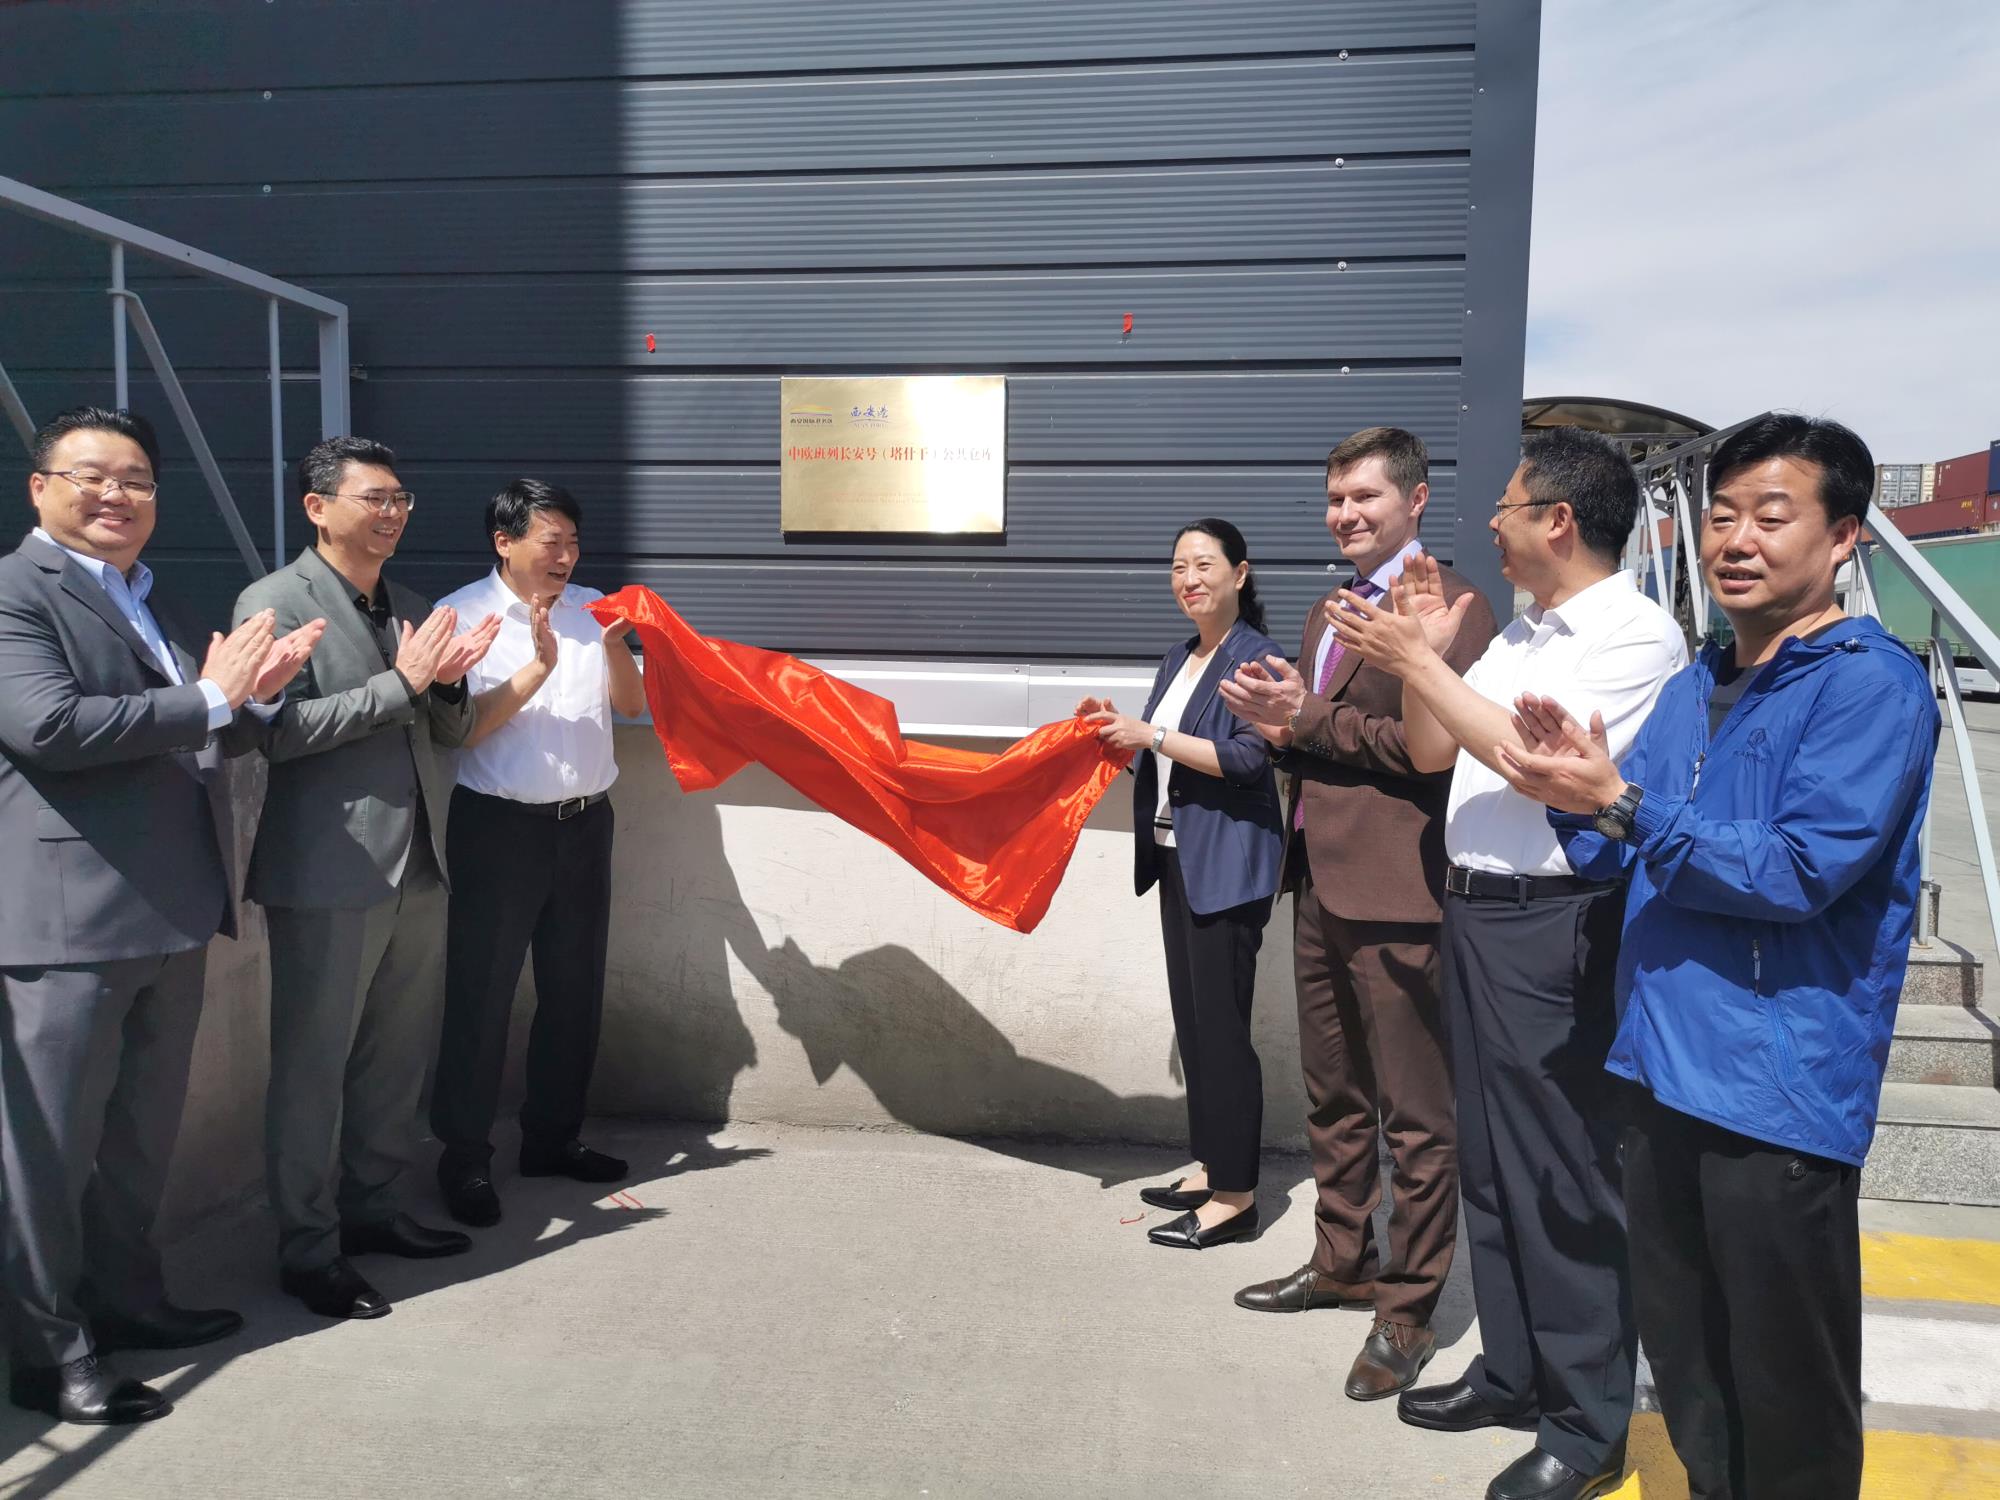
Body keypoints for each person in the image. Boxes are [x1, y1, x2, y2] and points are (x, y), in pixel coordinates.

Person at [1494, 414, 1938, 1500]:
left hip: (1773, 1094)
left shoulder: (1869, 686)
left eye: (1770, 516)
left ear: (1843, 537)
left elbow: (1796, 870)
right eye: (1723, 515)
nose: (1736, 540)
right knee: (1693, 1374)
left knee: (1787, 1396)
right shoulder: (1697, 682)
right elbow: (1618, 844)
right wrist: (1574, 790)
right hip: (1658, 1075)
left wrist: (1624, 803)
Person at [1327, 427, 1685, 1500]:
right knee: (1489, 1159)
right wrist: (1423, 656)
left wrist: (1418, 661)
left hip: (1556, 919)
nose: (1489, 523)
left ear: (1558, 520)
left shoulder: (1634, 634)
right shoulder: (1523, 633)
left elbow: (1542, 770)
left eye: (1507, 506)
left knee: (1563, 1172)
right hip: (1475, 908)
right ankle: (1513, 1371)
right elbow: (1435, 748)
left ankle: (1585, 1424)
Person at [0, 407, 321, 1423]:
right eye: (91, 476)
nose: (117, 496)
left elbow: (193, 729)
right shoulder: (14, 591)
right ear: (40, 488)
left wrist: (252, 700)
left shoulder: (150, 594)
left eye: (136, 479)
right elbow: (48, 726)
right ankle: (47, 1353)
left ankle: (126, 1299)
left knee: (138, 1140)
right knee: (47, 1153)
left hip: (172, 910)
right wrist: (215, 699)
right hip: (66, 925)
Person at [1218, 426, 1497, 1400]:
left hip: (1400, 892)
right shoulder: (1329, 607)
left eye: (1365, 498)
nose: (1345, 515)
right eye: (1336, 499)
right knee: (1332, 1095)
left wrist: (1306, 719)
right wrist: (1281, 724)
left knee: (1416, 1119)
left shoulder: (1454, 607)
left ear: (1415, 502)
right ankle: (1341, 1260)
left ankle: (1407, 1311)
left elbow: (1432, 752)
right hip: (1319, 880)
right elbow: (1330, 735)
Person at [233, 436, 500, 1321]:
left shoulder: (412, 607)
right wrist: (402, 684)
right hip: (328, 868)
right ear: (317, 507)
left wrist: (447, 686)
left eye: (400, 499)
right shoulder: (275, 601)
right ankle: (309, 1249)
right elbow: (275, 733)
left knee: (394, 1056)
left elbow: (450, 734)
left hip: (419, 860)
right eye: (373, 498)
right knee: (314, 1067)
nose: (392, 514)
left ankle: (375, 1209)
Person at [429, 480, 647, 1226]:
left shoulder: (593, 610)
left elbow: (631, 706)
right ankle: (464, 1157)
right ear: (505, 541)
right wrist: (539, 668)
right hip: (499, 828)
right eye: (551, 540)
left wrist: (612, 645)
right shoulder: (462, 616)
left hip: (585, 823)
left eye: (573, 542)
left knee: (574, 990)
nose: (566, 556)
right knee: (481, 993)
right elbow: (462, 731)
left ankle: (553, 1138)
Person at [1077, 519, 1285, 1249]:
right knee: (1194, 1026)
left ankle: (1237, 1197)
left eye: (1203, 565)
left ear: (1240, 574)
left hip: (1227, 865)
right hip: (1177, 857)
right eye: (1177, 568)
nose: (1188, 579)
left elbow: (1249, 759)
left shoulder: (1257, 659)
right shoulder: (1180, 656)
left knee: (1223, 1032)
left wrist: (1152, 735)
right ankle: (1210, 1165)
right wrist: (1121, 729)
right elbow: (1159, 749)